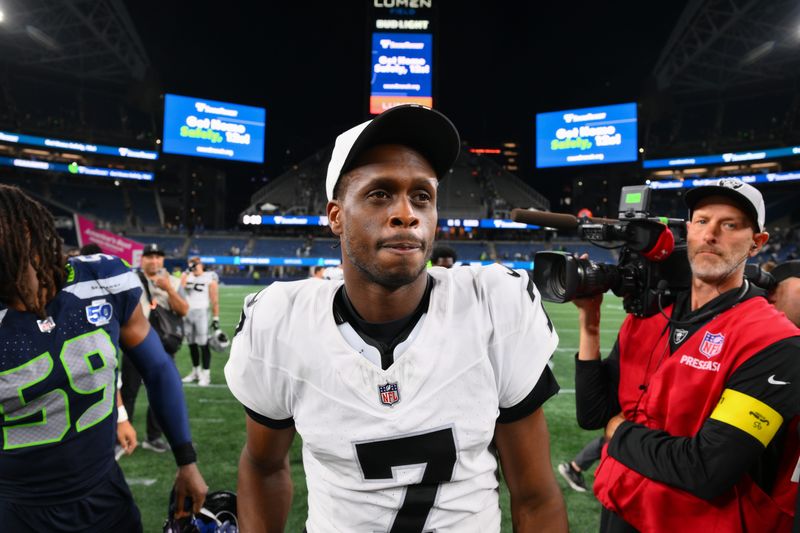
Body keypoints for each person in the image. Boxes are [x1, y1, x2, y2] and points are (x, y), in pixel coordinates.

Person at [225, 104, 567, 532]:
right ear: (336, 216)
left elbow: (534, 494)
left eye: (422, 195)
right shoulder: (280, 320)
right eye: (380, 193)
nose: (407, 212)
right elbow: (263, 467)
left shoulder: (493, 303)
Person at [574, 178, 800, 532]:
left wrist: (618, 435)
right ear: (688, 230)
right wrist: (590, 320)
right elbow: (592, 414)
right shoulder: (649, 316)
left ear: (757, 243)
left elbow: (707, 469)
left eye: (730, 225)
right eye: (702, 221)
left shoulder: (775, 342)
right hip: (620, 510)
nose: (711, 234)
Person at [0, 184, 207, 532]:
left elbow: (157, 368)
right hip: (15, 509)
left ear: (26, 233)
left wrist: (186, 461)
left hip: (105, 497)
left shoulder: (102, 279)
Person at [121, 242, 189, 453]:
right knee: (129, 391)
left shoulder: (174, 282)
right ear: (142, 259)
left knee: (160, 392)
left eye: (158, 256)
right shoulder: (130, 280)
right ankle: (124, 437)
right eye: (150, 256)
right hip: (134, 343)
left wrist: (168, 289)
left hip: (163, 345)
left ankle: (154, 437)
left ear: (163, 259)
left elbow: (183, 310)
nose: (154, 260)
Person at [180, 257, 220, 386]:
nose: (193, 267)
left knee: (203, 344)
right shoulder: (187, 276)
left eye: (195, 264)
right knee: (191, 344)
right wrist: (186, 272)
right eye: (191, 265)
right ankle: (196, 372)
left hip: (202, 312)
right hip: (188, 313)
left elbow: (214, 299)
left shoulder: (210, 276)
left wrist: (215, 318)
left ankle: (206, 374)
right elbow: (180, 288)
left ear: (201, 264)